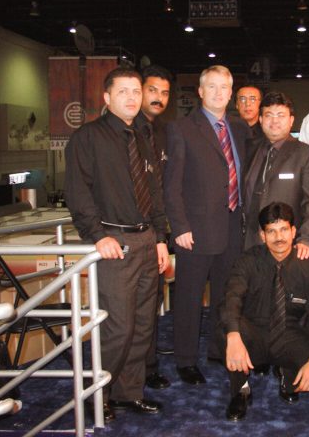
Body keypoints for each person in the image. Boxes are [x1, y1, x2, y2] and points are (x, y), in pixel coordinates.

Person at [65, 67, 169, 421]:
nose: (131, 97)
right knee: (118, 327)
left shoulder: (143, 135)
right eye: (123, 91)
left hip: (147, 240)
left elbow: (155, 192)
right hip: (114, 243)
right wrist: (97, 235)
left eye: (136, 91)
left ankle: (129, 392)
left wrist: (160, 238)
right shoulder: (87, 137)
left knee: (142, 326)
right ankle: (99, 394)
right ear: (107, 97)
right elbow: (78, 192)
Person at [164, 65, 250, 384]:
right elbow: (171, 184)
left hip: (233, 226)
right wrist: (179, 227)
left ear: (231, 93)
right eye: (211, 86)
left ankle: (218, 349)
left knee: (226, 295)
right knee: (189, 297)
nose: (217, 92)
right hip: (195, 231)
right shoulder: (181, 128)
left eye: (223, 87)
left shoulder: (239, 128)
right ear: (200, 92)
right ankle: (186, 360)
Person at [219, 202, 309, 421]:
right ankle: (241, 390)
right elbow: (231, 298)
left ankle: (286, 373)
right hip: (254, 333)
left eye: (283, 230)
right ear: (262, 236)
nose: (278, 237)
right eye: (271, 231)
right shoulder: (247, 261)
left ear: (293, 231)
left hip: (289, 335)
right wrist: (233, 336)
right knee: (228, 326)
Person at [243, 91, 309, 258]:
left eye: (281, 115)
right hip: (250, 241)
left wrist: (306, 238)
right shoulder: (249, 148)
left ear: (291, 120)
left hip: (286, 243)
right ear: (260, 119)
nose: (274, 121)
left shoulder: (305, 154)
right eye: (269, 115)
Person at [139, 64, 173, 390]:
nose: (158, 98)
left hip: (156, 232)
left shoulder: (163, 132)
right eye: (152, 90)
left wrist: (161, 235)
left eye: (164, 93)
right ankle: (126, 379)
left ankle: (148, 369)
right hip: (128, 233)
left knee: (150, 308)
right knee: (128, 314)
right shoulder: (125, 131)